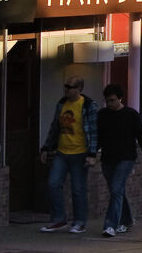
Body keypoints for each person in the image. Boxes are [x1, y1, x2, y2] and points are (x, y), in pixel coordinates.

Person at [39, 77, 98, 233]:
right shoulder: (62, 103)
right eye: (65, 86)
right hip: (62, 152)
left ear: (79, 89)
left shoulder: (88, 105)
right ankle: (59, 219)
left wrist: (92, 153)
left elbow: (93, 131)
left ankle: (80, 221)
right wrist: (46, 147)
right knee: (53, 184)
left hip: (80, 153)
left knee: (78, 189)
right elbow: (55, 127)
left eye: (69, 87)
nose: (66, 89)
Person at [95, 86, 142, 238]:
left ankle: (110, 225)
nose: (109, 104)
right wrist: (92, 152)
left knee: (115, 189)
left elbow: (141, 136)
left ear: (120, 98)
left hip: (126, 158)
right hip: (108, 157)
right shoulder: (103, 115)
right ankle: (126, 220)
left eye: (112, 100)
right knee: (117, 191)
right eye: (107, 101)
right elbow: (99, 136)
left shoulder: (131, 114)